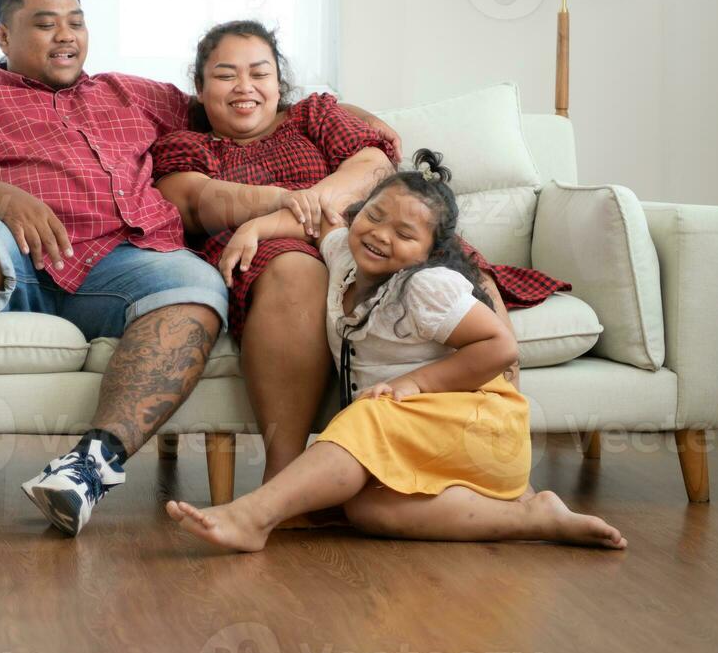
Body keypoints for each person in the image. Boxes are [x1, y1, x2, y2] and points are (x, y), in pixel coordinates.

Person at [0, 0, 401, 537]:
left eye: (76, 22)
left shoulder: (133, 95)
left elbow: (238, 101)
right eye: (46, 24)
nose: (66, 36)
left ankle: (88, 467)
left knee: (199, 287)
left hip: (123, 264)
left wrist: (353, 119)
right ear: (3, 36)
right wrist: (3, 199)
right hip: (13, 253)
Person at [150, 21, 567, 485]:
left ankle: (501, 448)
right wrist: (293, 214)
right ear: (201, 88)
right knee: (294, 268)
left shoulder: (315, 116)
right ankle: (285, 476)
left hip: (361, 232)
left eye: (259, 73)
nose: (244, 86)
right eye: (225, 75)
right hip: (278, 257)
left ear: (279, 83)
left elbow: (372, 167)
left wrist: (292, 211)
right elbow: (195, 200)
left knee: (456, 261)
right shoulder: (186, 146)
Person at [164, 150, 627, 553]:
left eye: (405, 234)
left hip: (481, 429)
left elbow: (500, 346)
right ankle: (532, 518)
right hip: (426, 438)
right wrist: (256, 228)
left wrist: (414, 383)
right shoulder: (346, 254)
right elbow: (318, 219)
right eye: (376, 215)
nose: (382, 234)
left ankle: (253, 517)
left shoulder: (425, 287)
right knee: (366, 509)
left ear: (430, 253)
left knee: (368, 414)